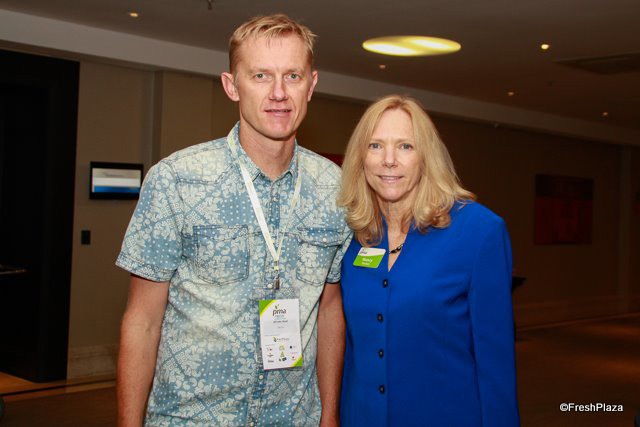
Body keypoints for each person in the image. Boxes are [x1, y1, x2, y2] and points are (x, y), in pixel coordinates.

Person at [116, 14, 350, 426]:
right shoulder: (176, 180)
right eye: (260, 75)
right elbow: (142, 321)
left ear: (311, 85)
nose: (279, 93)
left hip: (293, 417)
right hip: (191, 417)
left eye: (292, 76)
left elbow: (330, 310)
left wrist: (329, 415)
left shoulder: (336, 188)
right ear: (231, 85)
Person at [337, 95, 520, 426]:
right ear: (360, 157)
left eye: (405, 146)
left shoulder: (478, 231)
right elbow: (352, 350)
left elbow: (496, 363)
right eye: (375, 146)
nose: (388, 160)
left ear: (426, 156)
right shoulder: (353, 235)